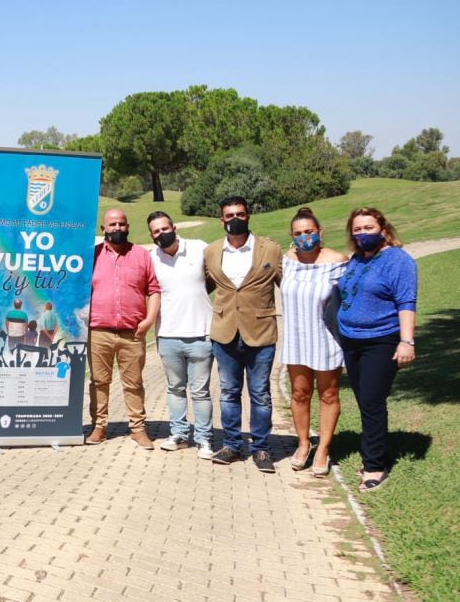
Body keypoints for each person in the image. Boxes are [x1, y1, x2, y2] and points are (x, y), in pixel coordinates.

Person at [336, 207, 416, 492]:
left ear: (383, 229)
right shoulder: (357, 259)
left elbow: (406, 301)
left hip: (381, 340)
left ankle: (374, 466)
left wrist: (407, 341)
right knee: (364, 401)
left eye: (368, 228)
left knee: (372, 400)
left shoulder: (398, 260)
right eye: (357, 229)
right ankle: (375, 451)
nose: (362, 233)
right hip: (351, 340)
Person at [204, 195, 283, 472]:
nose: (234, 219)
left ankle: (261, 448)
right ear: (221, 219)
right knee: (228, 392)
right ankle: (232, 446)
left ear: (248, 216)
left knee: (260, 394)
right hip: (224, 332)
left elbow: (288, 285)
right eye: (229, 215)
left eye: (240, 214)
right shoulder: (212, 251)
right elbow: (201, 287)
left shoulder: (270, 249)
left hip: (260, 332)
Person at [279, 207, 348, 476]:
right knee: (299, 393)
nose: (304, 237)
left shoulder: (338, 261)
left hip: (326, 339)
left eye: (309, 231)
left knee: (328, 395)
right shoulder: (286, 261)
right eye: (298, 233)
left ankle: (324, 449)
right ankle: (304, 443)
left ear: (320, 232)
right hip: (296, 338)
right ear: (291, 236)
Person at [86, 208, 160, 449]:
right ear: (103, 228)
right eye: (112, 224)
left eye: (121, 224)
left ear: (127, 227)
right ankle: (99, 426)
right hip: (99, 331)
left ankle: (138, 429)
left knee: (134, 383)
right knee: (99, 382)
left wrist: (149, 320)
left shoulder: (141, 255)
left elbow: (153, 290)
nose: (117, 228)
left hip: (133, 332)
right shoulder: (92, 256)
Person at [147, 211, 215, 459]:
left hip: (201, 333)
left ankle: (204, 439)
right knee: (175, 388)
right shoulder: (151, 258)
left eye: (165, 228)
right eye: (156, 231)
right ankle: (179, 434)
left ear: (174, 227)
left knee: (200, 391)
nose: (162, 234)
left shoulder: (198, 248)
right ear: (152, 236)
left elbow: (213, 278)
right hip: (167, 334)